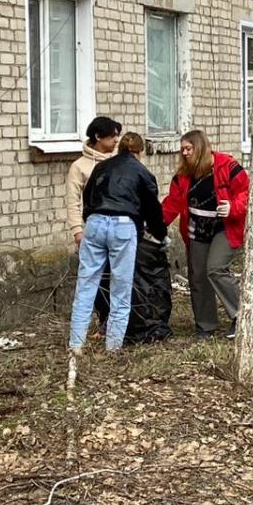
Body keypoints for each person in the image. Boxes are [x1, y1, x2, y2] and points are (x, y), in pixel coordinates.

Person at [68, 132, 166, 353]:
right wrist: (161, 234)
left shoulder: (102, 167)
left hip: (94, 223)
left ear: (118, 148)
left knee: (85, 286)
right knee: (120, 290)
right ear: (139, 152)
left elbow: (89, 195)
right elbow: (153, 210)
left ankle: (75, 345)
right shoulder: (143, 173)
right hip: (123, 226)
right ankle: (113, 347)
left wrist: (90, 220)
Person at [162, 130, 250, 340]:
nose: (184, 153)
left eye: (188, 149)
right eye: (182, 149)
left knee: (216, 268)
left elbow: (247, 194)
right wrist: (153, 225)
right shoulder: (183, 176)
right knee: (198, 276)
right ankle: (205, 326)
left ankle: (242, 316)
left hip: (224, 226)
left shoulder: (227, 167)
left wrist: (233, 207)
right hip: (197, 229)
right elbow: (171, 204)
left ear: (200, 148)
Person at [65, 117, 120, 328]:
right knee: (95, 279)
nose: (116, 140)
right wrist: (77, 231)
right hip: (93, 230)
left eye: (117, 135)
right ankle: (102, 320)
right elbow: (72, 201)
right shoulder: (79, 166)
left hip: (118, 229)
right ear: (98, 137)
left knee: (118, 276)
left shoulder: (117, 162)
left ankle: (116, 322)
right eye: (112, 136)